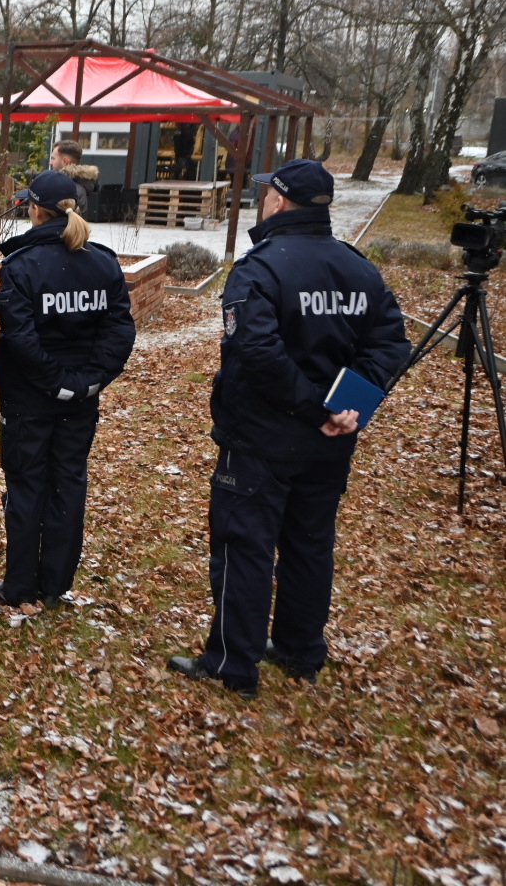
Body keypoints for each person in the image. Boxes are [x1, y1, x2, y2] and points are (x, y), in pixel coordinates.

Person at [169, 159, 409, 699]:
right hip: (327, 443)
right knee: (309, 544)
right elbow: (390, 344)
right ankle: (300, 650)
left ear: (279, 202)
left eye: (266, 194)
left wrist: (318, 409)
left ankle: (234, 662)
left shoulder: (260, 269)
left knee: (244, 546)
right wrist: (343, 408)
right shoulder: (358, 269)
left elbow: (255, 352)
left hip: (262, 438)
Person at [0, 169, 136, 612]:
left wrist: (60, 383)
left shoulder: (22, 266)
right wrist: (86, 382)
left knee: (27, 486)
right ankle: (55, 582)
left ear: (35, 209)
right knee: (68, 483)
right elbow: (119, 331)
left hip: (30, 398)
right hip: (79, 397)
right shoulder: (102, 262)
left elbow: (20, 336)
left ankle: (21, 585)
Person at [49, 139, 96, 216]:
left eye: (53, 158)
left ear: (65, 161)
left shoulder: (66, 188)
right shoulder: (79, 186)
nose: (50, 162)